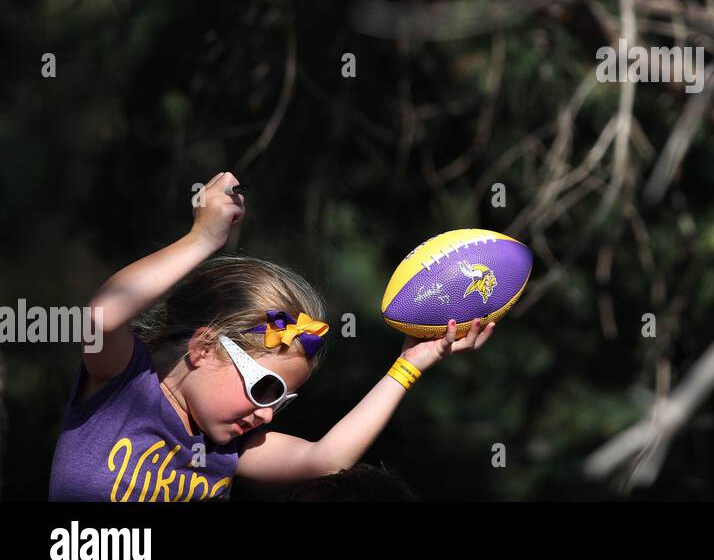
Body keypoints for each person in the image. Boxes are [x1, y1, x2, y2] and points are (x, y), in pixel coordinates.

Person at [48, 171, 494, 501]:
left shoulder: (228, 448)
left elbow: (325, 461)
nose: (267, 416)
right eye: (266, 389)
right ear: (204, 347)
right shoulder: (124, 383)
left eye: (281, 402)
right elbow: (101, 317)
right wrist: (202, 239)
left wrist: (409, 365)